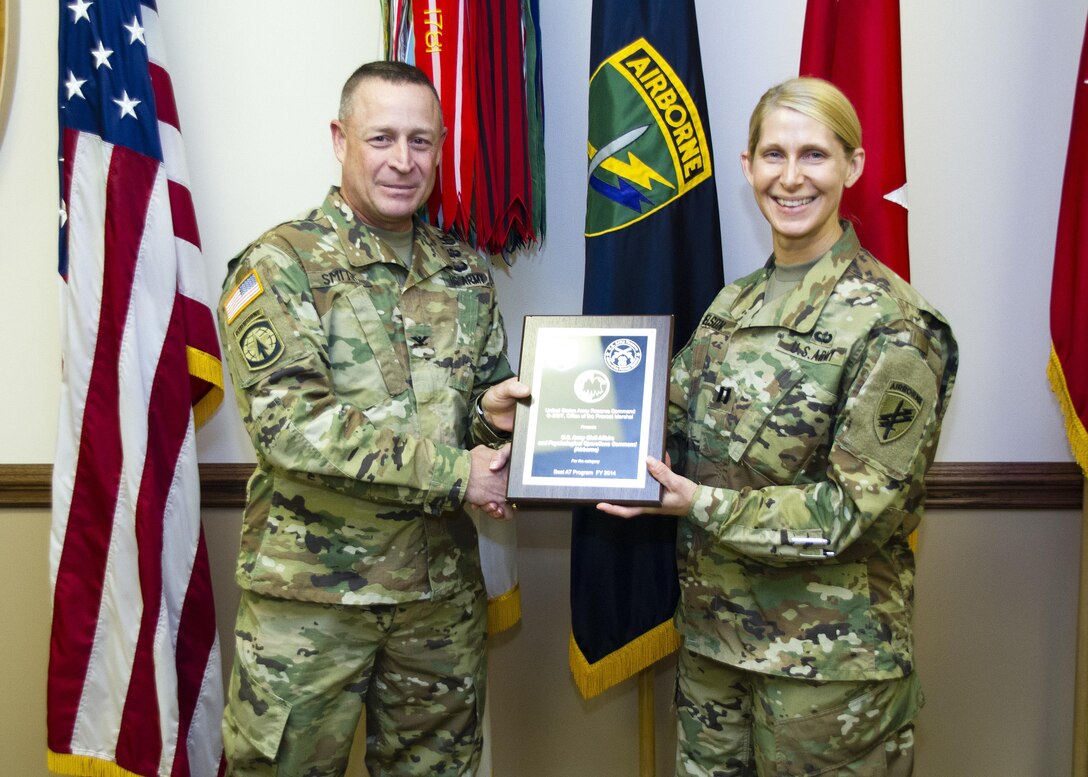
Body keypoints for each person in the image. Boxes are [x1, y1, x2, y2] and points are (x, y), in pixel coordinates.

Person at [598, 77, 958, 776]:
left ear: (853, 166)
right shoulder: (732, 305)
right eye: (773, 154)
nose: (791, 177)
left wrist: (697, 503)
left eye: (815, 155)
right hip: (713, 651)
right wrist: (525, 422)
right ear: (747, 166)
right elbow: (652, 418)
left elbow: (853, 508)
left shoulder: (896, 323)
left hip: (825, 673)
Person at [216, 61, 528, 777]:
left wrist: (490, 413)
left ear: (442, 148)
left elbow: (474, 422)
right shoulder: (279, 264)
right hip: (312, 607)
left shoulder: (464, 270)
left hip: (437, 603)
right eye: (381, 136)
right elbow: (292, 425)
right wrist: (460, 472)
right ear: (340, 138)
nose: (402, 160)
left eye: (421, 141)